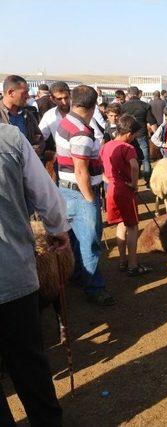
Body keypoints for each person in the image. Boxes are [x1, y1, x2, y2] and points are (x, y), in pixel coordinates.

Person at [0, 122, 68, 426]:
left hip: (12, 274)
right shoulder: (9, 138)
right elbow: (45, 193)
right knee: (28, 360)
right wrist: (57, 228)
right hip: (12, 273)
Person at [55, 85, 115, 306]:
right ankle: (94, 288)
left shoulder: (66, 122)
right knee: (89, 241)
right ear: (93, 105)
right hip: (80, 194)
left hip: (66, 189)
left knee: (76, 238)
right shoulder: (81, 132)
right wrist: (90, 200)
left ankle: (79, 276)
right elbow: (81, 171)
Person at [100, 114, 152, 276]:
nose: (135, 137)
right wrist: (135, 184)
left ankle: (123, 261)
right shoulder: (128, 148)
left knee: (121, 224)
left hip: (111, 189)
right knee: (132, 226)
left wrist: (108, 179)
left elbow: (100, 166)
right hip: (125, 190)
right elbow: (135, 167)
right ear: (129, 133)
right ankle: (133, 264)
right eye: (135, 134)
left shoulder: (106, 145)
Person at [122, 86, 158, 186]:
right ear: (138, 94)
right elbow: (152, 122)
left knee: (130, 159)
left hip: (128, 136)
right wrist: (156, 136)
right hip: (142, 135)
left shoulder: (124, 106)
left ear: (128, 94)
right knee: (145, 159)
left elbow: (120, 122)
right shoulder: (145, 106)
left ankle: (132, 180)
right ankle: (147, 182)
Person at [0, 75, 44, 156]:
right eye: (25, 93)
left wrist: (37, 149)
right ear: (11, 93)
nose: (28, 96)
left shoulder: (27, 114)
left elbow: (40, 138)